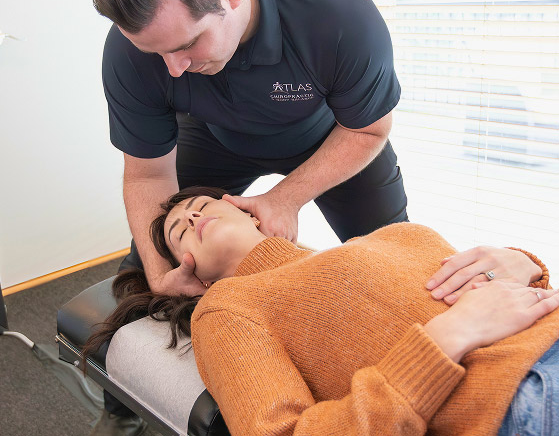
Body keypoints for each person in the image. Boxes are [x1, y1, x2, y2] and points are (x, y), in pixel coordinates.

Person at [91, 0, 408, 301]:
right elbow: (148, 175)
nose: (173, 69)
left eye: (187, 45)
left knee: (401, 269)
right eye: (156, 53)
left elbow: (369, 130)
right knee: (146, 281)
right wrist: (158, 277)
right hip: (213, 138)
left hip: (333, 138)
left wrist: (286, 198)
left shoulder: (337, 13)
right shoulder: (128, 51)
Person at [84, 187, 559, 436]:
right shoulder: (228, 308)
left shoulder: (398, 234)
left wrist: (526, 264)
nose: (192, 216)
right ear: (196, 276)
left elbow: (500, 295)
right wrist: (443, 340)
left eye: (202, 205)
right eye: (179, 233)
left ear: (249, 212)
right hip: (525, 395)